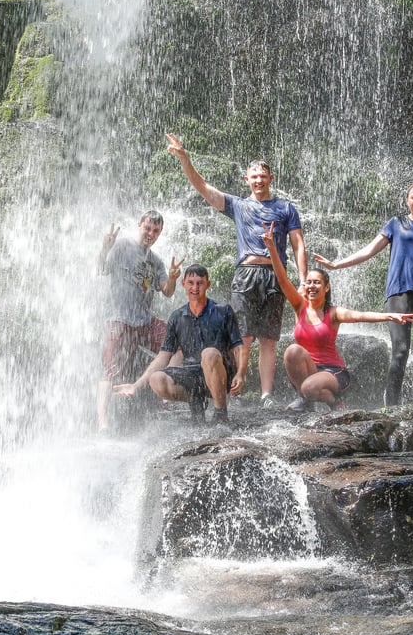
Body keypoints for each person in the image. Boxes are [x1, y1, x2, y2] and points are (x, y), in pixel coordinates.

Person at [165, 133, 306, 409]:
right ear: (247, 180)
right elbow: (204, 188)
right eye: (253, 176)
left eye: (263, 176)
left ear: (271, 178)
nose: (258, 180)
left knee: (269, 338)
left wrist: (301, 279)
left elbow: (298, 243)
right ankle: (236, 385)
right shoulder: (238, 206)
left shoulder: (286, 208)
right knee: (242, 334)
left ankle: (265, 395)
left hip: (275, 275)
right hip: (246, 272)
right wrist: (185, 159)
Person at [314, 183, 413, 406]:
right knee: (401, 351)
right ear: (407, 201)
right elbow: (369, 250)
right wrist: (336, 265)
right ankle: (392, 405)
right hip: (399, 293)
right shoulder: (396, 223)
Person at [260, 223, 413, 412]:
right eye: (309, 282)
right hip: (309, 369)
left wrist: (389, 316)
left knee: (309, 387)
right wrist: (271, 248)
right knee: (292, 351)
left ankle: (333, 403)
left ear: (326, 288)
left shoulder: (333, 313)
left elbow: (360, 316)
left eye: (317, 282)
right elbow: (283, 280)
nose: (311, 286)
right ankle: (307, 400)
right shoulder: (299, 305)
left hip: (333, 372)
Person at [114, 264, 247, 426]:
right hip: (192, 375)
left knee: (209, 354)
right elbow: (163, 356)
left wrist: (240, 373)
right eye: (191, 282)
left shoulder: (223, 310)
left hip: (220, 372)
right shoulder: (177, 317)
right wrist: (136, 385)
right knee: (157, 379)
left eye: (200, 283)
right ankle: (196, 401)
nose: (195, 287)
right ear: (183, 284)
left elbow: (238, 346)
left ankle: (221, 414)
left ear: (208, 284)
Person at [96, 211, 183, 433]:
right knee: (110, 370)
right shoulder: (123, 246)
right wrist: (105, 248)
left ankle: (166, 395)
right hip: (119, 319)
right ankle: (102, 422)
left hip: (144, 322)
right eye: (148, 228)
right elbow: (101, 269)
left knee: (177, 344)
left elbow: (167, 292)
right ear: (140, 225)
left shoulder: (156, 261)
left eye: (155, 231)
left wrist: (172, 278)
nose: (151, 234)